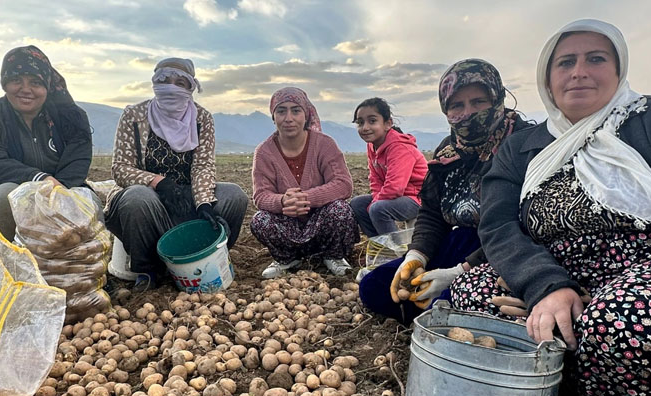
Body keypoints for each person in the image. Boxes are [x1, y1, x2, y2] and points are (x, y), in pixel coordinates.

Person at [449, 19, 651, 396]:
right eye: (565, 62)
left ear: (618, 69)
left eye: (596, 59)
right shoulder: (522, 149)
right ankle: (618, 384)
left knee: (619, 320)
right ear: (548, 78)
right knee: (472, 295)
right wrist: (544, 286)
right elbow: (498, 225)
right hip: (555, 275)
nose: (579, 71)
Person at [358, 59, 532, 324]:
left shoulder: (522, 145)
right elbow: (431, 212)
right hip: (460, 241)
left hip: (506, 250)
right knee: (374, 288)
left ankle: (451, 305)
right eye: (457, 105)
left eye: (478, 102)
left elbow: (521, 225)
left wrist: (458, 272)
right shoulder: (448, 151)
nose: (468, 113)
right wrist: (417, 255)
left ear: (497, 98)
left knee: (450, 304)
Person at [104, 58, 248, 290]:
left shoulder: (202, 119)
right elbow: (121, 168)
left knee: (234, 195)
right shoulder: (134, 115)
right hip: (150, 201)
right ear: (155, 83)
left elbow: (203, 165)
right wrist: (158, 182)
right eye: (165, 81)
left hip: (187, 199)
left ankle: (208, 259)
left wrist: (204, 203)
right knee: (137, 198)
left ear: (191, 87)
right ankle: (147, 270)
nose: (172, 87)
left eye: (180, 82)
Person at [0, 45, 95, 241]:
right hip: (11, 188)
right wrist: (41, 179)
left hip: (65, 186)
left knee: (88, 202)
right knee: (5, 197)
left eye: (35, 82)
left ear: (47, 86)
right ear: (4, 83)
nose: (25, 89)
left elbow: (78, 160)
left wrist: (58, 193)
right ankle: (5, 263)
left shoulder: (71, 117)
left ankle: (84, 269)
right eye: (16, 80)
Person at [250, 87, 359, 279]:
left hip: (321, 221)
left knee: (340, 210)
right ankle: (286, 258)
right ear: (273, 117)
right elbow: (261, 195)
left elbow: (343, 183)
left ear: (306, 115)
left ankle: (333, 255)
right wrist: (283, 201)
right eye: (281, 111)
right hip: (288, 223)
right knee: (260, 220)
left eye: (296, 110)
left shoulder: (324, 144)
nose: (289, 118)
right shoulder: (265, 152)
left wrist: (306, 198)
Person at [349, 97, 428, 237]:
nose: (365, 127)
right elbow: (375, 179)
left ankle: (396, 250)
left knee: (378, 209)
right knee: (357, 204)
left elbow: (395, 187)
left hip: (420, 198)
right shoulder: (372, 146)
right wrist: (374, 200)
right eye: (360, 123)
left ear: (387, 124)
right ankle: (379, 244)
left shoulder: (400, 147)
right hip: (399, 198)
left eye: (372, 121)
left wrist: (375, 203)